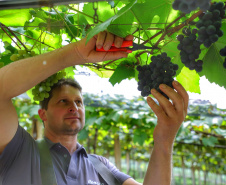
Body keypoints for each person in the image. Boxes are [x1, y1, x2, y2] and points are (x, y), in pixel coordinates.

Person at [0, 31, 189, 185]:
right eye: (63, 101)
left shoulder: (101, 166)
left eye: (79, 102)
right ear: (43, 114)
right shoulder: (20, 151)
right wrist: (74, 54)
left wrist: (164, 139)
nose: (74, 107)